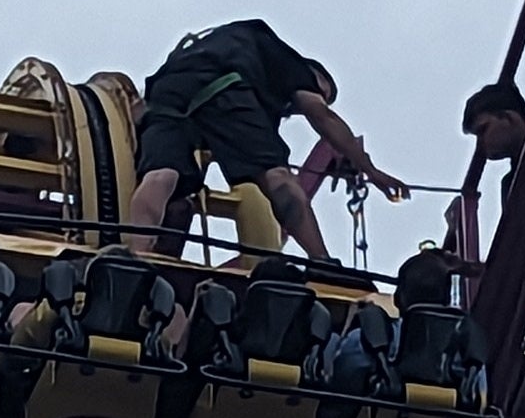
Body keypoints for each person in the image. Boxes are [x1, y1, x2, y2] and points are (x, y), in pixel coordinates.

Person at [125, 21, 405, 264]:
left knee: (162, 174)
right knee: (277, 177)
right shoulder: (290, 65)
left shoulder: (226, 46)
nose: (293, 110)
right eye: (323, 92)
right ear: (315, 76)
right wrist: (371, 170)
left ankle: (134, 256)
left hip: (168, 88)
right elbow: (323, 117)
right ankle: (323, 263)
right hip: (225, 87)